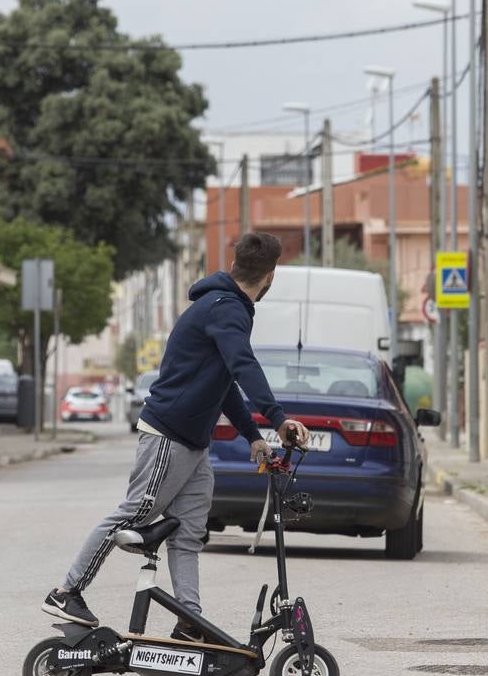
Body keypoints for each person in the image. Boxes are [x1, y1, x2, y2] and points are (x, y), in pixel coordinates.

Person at [43, 233, 308, 639]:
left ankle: (189, 621)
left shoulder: (225, 306)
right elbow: (243, 365)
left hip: (193, 444)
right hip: (169, 435)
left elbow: (224, 381)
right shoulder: (227, 308)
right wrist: (278, 418)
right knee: (135, 512)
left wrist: (254, 435)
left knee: (187, 536)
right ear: (270, 276)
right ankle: (68, 589)